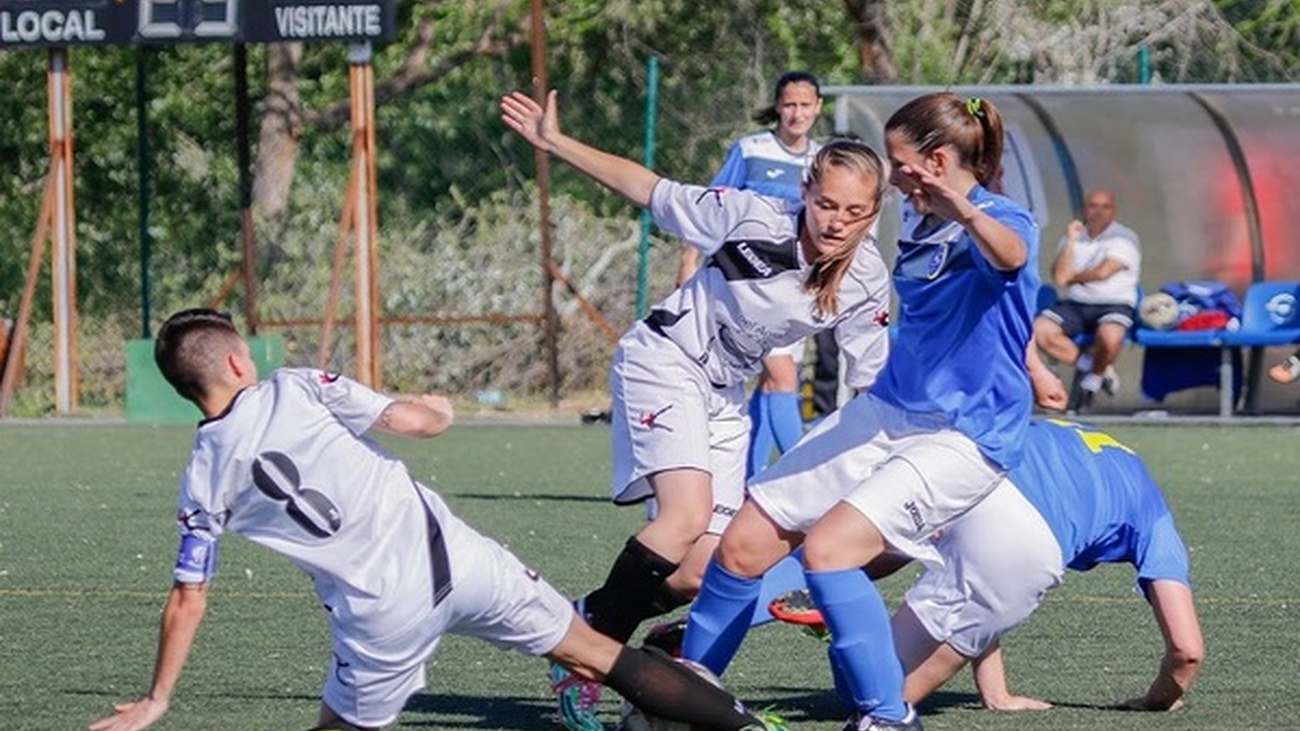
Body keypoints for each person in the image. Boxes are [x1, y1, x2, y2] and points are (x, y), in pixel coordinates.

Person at [88, 308, 789, 731]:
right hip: (461, 558)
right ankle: (745, 725)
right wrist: (439, 405)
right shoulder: (298, 386)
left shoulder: (203, 473)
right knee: (599, 654)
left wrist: (158, 696)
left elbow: (189, 595)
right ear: (241, 358)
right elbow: (419, 421)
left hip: (380, 611)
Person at [500, 89, 893, 731]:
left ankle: (587, 618)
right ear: (805, 191)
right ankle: (587, 662)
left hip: (724, 396)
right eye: (825, 204)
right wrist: (555, 142)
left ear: (873, 213)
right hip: (666, 361)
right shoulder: (748, 216)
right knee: (682, 519)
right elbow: (647, 187)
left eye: (853, 211)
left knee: (700, 570)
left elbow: (872, 381)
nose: (835, 221)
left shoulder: (867, 276)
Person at [680, 92, 1042, 731]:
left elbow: (1011, 257)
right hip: (889, 411)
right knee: (740, 546)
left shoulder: (998, 215)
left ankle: (887, 718)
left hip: (965, 437)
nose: (891, 173)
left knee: (829, 551)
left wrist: (960, 202)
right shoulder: (917, 218)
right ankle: (681, 701)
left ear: (933, 161)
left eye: (901, 163)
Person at [767, 419, 1204, 714]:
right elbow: (1187, 651)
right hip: (1021, 539)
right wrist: (1158, 699)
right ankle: (846, 615)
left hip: (963, 468)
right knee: (877, 700)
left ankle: (842, 596)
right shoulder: (1154, 513)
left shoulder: (1065, 431)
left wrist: (996, 692)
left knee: (938, 558)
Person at [675, 70, 825, 477]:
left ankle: (749, 477)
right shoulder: (751, 150)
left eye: (804, 105)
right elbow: (712, 205)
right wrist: (689, 258)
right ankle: (805, 474)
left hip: (794, 287)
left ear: (818, 107)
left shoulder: (823, 160)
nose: (796, 113)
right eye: (789, 104)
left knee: (772, 382)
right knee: (783, 376)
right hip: (747, 284)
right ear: (778, 106)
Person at [1033, 189, 1141, 413]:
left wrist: (1073, 277)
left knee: (1110, 337)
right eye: (1093, 206)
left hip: (1114, 302)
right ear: (1085, 209)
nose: (1098, 212)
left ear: (1114, 211)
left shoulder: (1124, 237)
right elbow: (1060, 277)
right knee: (1039, 331)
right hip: (1076, 304)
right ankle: (1093, 366)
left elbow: (1103, 273)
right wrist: (1071, 241)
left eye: (1105, 206)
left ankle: (1090, 383)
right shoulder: (1073, 237)